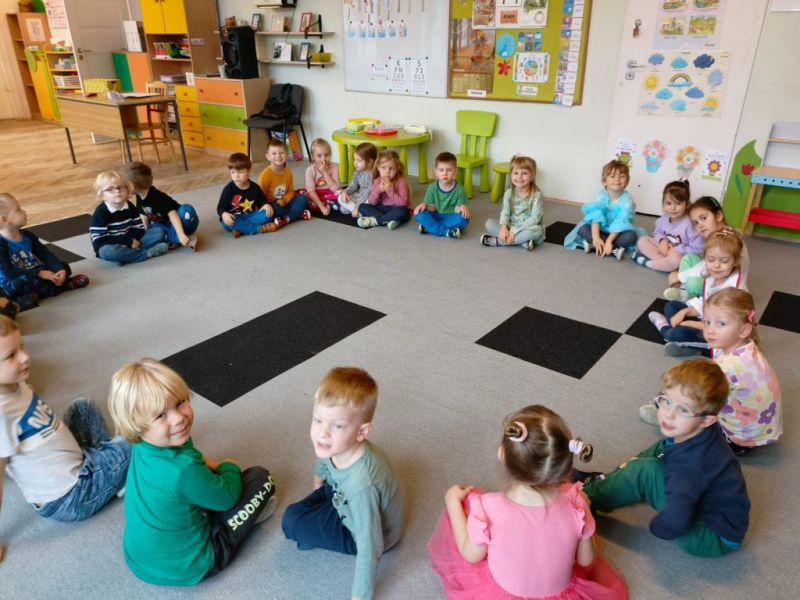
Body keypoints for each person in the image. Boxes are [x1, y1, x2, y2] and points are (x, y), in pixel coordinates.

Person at [428, 404, 627, 599]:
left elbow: (470, 555)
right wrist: (582, 516)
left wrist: (452, 502)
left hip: (501, 594)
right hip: (561, 594)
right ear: (564, 465)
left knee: (464, 507)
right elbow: (585, 561)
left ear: (502, 454)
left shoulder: (486, 508)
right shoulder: (577, 506)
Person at [107, 358, 277, 585]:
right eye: (160, 415)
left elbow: (191, 454)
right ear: (138, 427)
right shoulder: (182, 470)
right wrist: (228, 466)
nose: (178, 418)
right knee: (261, 478)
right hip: (193, 565)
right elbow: (227, 497)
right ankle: (244, 520)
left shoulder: (143, 444)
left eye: (180, 403)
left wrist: (211, 466)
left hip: (140, 560)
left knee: (193, 487)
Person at [580, 359, 750, 557]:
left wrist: (658, 528)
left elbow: (676, 521)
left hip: (711, 537)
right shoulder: (697, 432)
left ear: (707, 420)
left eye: (683, 410)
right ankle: (609, 483)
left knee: (646, 472)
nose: (668, 415)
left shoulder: (688, 467)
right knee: (661, 448)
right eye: (666, 401)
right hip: (721, 517)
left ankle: (584, 499)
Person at [0, 316, 130, 562]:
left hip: (75, 461)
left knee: (83, 407)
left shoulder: (14, 382)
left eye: (22, 347)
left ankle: (111, 466)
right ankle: (117, 471)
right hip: (70, 497)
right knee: (136, 442)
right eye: (11, 356)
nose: (25, 357)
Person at [281, 367, 405, 600]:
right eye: (318, 420)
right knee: (303, 509)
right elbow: (323, 457)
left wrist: (359, 596)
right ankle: (318, 520)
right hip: (342, 495)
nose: (323, 433)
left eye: (337, 426)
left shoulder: (361, 486)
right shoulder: (337, 446)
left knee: (291, 520)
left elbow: (370, 545)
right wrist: (318, 481)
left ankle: (313, 532)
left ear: (361, 432)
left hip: (366, 532)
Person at [704, 289, 781, 454]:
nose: (710, 330)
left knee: (690, 408)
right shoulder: (749, 347)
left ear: (743, 330)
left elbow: (704, 396)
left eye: (721, 324)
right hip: (762, 428)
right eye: (707, 322)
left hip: (740, 438)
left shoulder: (727, 365)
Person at [648, 229, 746, 357]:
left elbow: (721, 328)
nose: (716, 265)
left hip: (719, 336)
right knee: (671, 306)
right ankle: (685, 342)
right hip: (706, 319)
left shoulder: (733, 291)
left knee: (675, 333)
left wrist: (688, 323)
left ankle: (664, 328)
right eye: (711, 260)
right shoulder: (712, 276)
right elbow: (704, 303)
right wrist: (684, 312)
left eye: (724, 261)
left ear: (736, 261)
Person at [0, 193, 89, 309]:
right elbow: (9, 272)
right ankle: (64, 286)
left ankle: (30, 297)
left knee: (65, 266)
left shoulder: (27, 235)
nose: (24, 211)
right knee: (26, 282)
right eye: (18, 210)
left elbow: (46, 255)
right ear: (4, 219)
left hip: (33, 272)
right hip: (12, 281)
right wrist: (39, 273)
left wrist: (59, 269)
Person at [665, 196, 751, 302]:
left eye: (703, 218)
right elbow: (707, 262)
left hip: (725, 288)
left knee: (693, 283)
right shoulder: (720, 234)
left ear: (718, 216)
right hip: (716, 273)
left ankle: (688, 294)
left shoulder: (724, 240)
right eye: (695, 222)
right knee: (688, 258)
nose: (700, 225)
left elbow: (706, 266)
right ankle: (683, 290)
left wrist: (680, 276)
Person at [563, 159, 640, 260]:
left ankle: (599, 245)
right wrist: (596, 237)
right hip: (601, 229)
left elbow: (620, 222)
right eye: (612, 176)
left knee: (631, 236)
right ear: (604, 182)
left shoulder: (627, 200)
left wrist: (609, 241)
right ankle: (609, 248)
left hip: (617, 232)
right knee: (582, 228)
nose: (617, 179)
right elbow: (596, 216)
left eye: (622, 176)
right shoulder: (601, 195)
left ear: (627, 181)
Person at [90, 171, 169, 264]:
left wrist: (132, 241)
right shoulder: (100, 213)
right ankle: (146, 253)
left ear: (127, 189)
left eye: (120, 187)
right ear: (102, 195)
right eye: (110, 189)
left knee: (159, 232)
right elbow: (100, 240)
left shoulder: (130, 206)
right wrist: (127, 241)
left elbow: (139, 229)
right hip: (112, 245)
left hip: (133, 241)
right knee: (107, 252)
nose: (117, 191)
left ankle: (127, 256)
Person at [126, 162, 199, 251]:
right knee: (155, 230)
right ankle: (177, 238)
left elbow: (173, 214)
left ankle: (178, 237)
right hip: (164, 225)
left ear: (131, 185)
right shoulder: (139, 196)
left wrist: (181, 234)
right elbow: (144, 216)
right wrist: (145, 234)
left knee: (186, 210)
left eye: (125, 186)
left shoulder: (156, 197)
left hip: (180, 221)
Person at [631, 181, 702, 271]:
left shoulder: (690, 224)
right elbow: (658, 232)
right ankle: (664, 264)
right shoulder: (664, 218)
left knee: (676, 259)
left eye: (678, 203)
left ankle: (650, 263)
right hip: (665, 250)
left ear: (687, 204)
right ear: (663, 203)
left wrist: (677, 249)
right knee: (643, 240)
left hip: (680, 255)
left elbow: (698, 249)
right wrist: (663, 241)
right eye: (668, 203)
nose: (673, 208)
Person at [480, 155, 543, 251]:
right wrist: (503, 227)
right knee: (489, 223)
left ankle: (499, 242)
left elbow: (535, 219)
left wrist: (514, 231)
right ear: (511, 175)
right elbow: (505, 213)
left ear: (532, 176)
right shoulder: (509, 193)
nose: (519, 177)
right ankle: (521, 242)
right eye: (516, 173)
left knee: (537, 231)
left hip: (528, 227)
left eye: (524, 173)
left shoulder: (537, 195)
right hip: (511, 225)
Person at [257, 138, 310, 230]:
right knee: (274, 209)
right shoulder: (265, 175)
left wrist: (284, 201)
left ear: (286, 155)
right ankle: (295, 214)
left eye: (281, 153)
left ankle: (286, 218)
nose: (278, 156)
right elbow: (259, 195)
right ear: (268, 156)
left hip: (285, 203)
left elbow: (290, 192)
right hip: (272, 205)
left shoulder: (288, 173)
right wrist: (267, 205)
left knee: (303, 198)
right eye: (274, 153)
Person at [414, 151, 470, 239]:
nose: (445, 173)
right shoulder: (432, 188)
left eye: (449, 170)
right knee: (420, 215)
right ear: (436, 172)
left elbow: (457, 208)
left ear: (455, 172)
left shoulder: (460, 189)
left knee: (464, 219)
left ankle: (430, 227)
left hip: (451, 216)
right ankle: (447, 232)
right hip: (436, 215)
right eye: (441, 170)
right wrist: (425, 205)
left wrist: (462, 208)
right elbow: (432, 208)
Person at [217, 152, 274, 238]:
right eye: (233, 172)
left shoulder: (255, 188)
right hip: (234, 217)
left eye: (240, 172)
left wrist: (266, 205)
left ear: (249, 171)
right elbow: (220, 208)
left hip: (250, 215)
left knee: (268, 214)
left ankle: (241, 229)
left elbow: (262, 201)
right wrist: (224, 214)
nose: (236, 176)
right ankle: (258, 229)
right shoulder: (228, 189)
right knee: (227, 222)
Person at [358, 150, 411, 230]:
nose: (387, 172)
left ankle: (376, 221)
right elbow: (372, 202)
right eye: (383, 168)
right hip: (382, 209)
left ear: (397, 169)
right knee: (362, 207)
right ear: (378, 168)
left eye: (391, 168)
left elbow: (403, 203)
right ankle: (390, 219)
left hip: (396, 209)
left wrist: (390, 190)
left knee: (404, 211)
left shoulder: (401, 182)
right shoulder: (377, 181)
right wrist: (378, 190)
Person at [338, 142, 377, 217]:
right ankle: (357, 212)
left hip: (368, 199)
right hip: (359, 196)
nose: (355, 163)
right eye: (354, 159)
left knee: (369, 203)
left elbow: (367, 193)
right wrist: (345, 192)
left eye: (359, 160)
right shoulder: (358, 171)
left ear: (370, 162)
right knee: (340, 197)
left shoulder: (373, 174)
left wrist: (357, 207)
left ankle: (357, 211)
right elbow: (353, 185)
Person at [305, 138, 340, 215]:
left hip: (330, 193)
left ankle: (327, 204)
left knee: (341, 194)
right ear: (313, 157)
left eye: (326, 155)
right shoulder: (310, 170)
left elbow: (335, 188)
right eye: (319, 155)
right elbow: (311, 191)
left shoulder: (334, 167)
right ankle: (324, 205)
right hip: (316, 194)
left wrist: (325, 172)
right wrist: (322, 207)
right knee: (304, 196)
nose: (323, 159)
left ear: (330, 155)